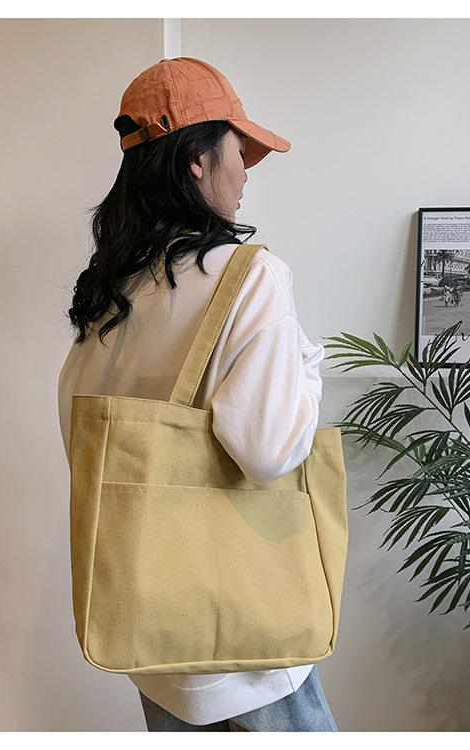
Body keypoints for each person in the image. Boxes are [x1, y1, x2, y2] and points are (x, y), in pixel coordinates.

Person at [58, 57, 337, 732]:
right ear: (198, 161)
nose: (245, 171)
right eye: (238, 151)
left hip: (154, 638)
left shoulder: (111, 292)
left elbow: (81, 436)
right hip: (246, 648)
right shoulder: (251, 277)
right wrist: (307, 367)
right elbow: (269, 452)